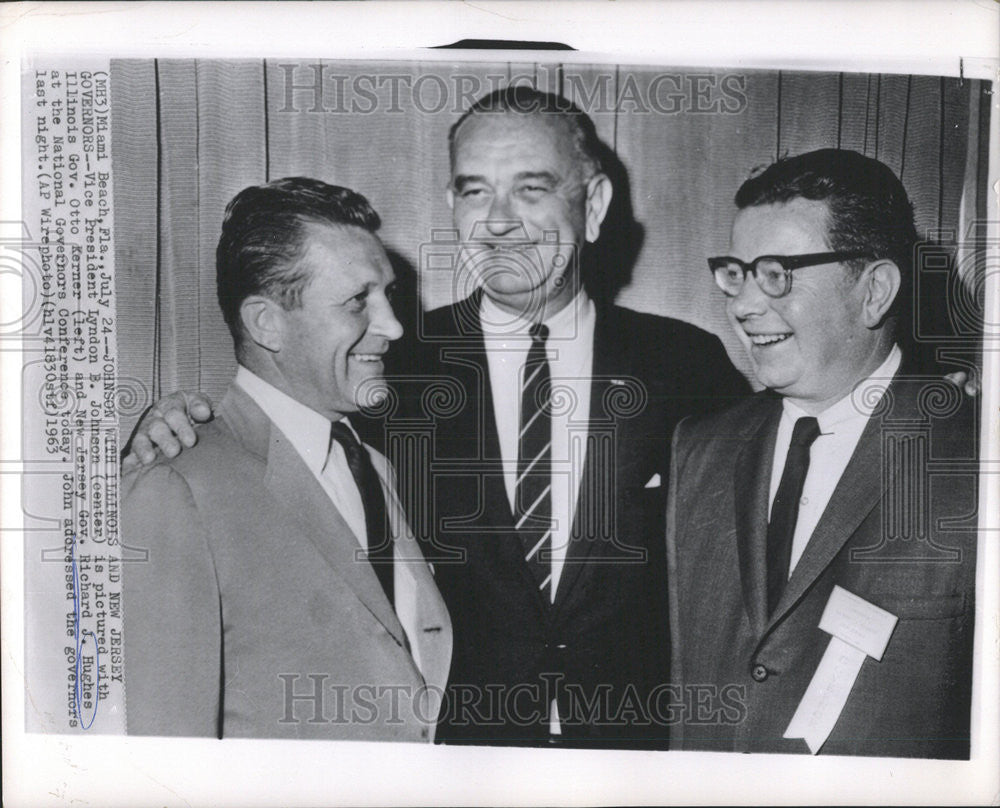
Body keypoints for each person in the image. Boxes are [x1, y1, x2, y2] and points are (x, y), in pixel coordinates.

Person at [123, 87, 750, 748]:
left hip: (637, 759)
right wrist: (167, 429)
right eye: (476, 191)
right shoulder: (386, 370)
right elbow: (268, 445)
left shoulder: (687, 366)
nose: (500, 221)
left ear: (592, 206)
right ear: (453, 205)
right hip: (454, 762)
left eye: (531, 189)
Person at [666, 149, 978, 758]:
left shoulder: (971, 459)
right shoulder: (697, 449)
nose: (743, 305)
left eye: (777, 272)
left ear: (874, 291)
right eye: (736, 272)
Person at [122, 178, 452, 741]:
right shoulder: (176, 485)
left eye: (388, 296)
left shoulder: (371, 463)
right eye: (357, 302)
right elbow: (161, 763)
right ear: (266, 322)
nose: (394, 327)